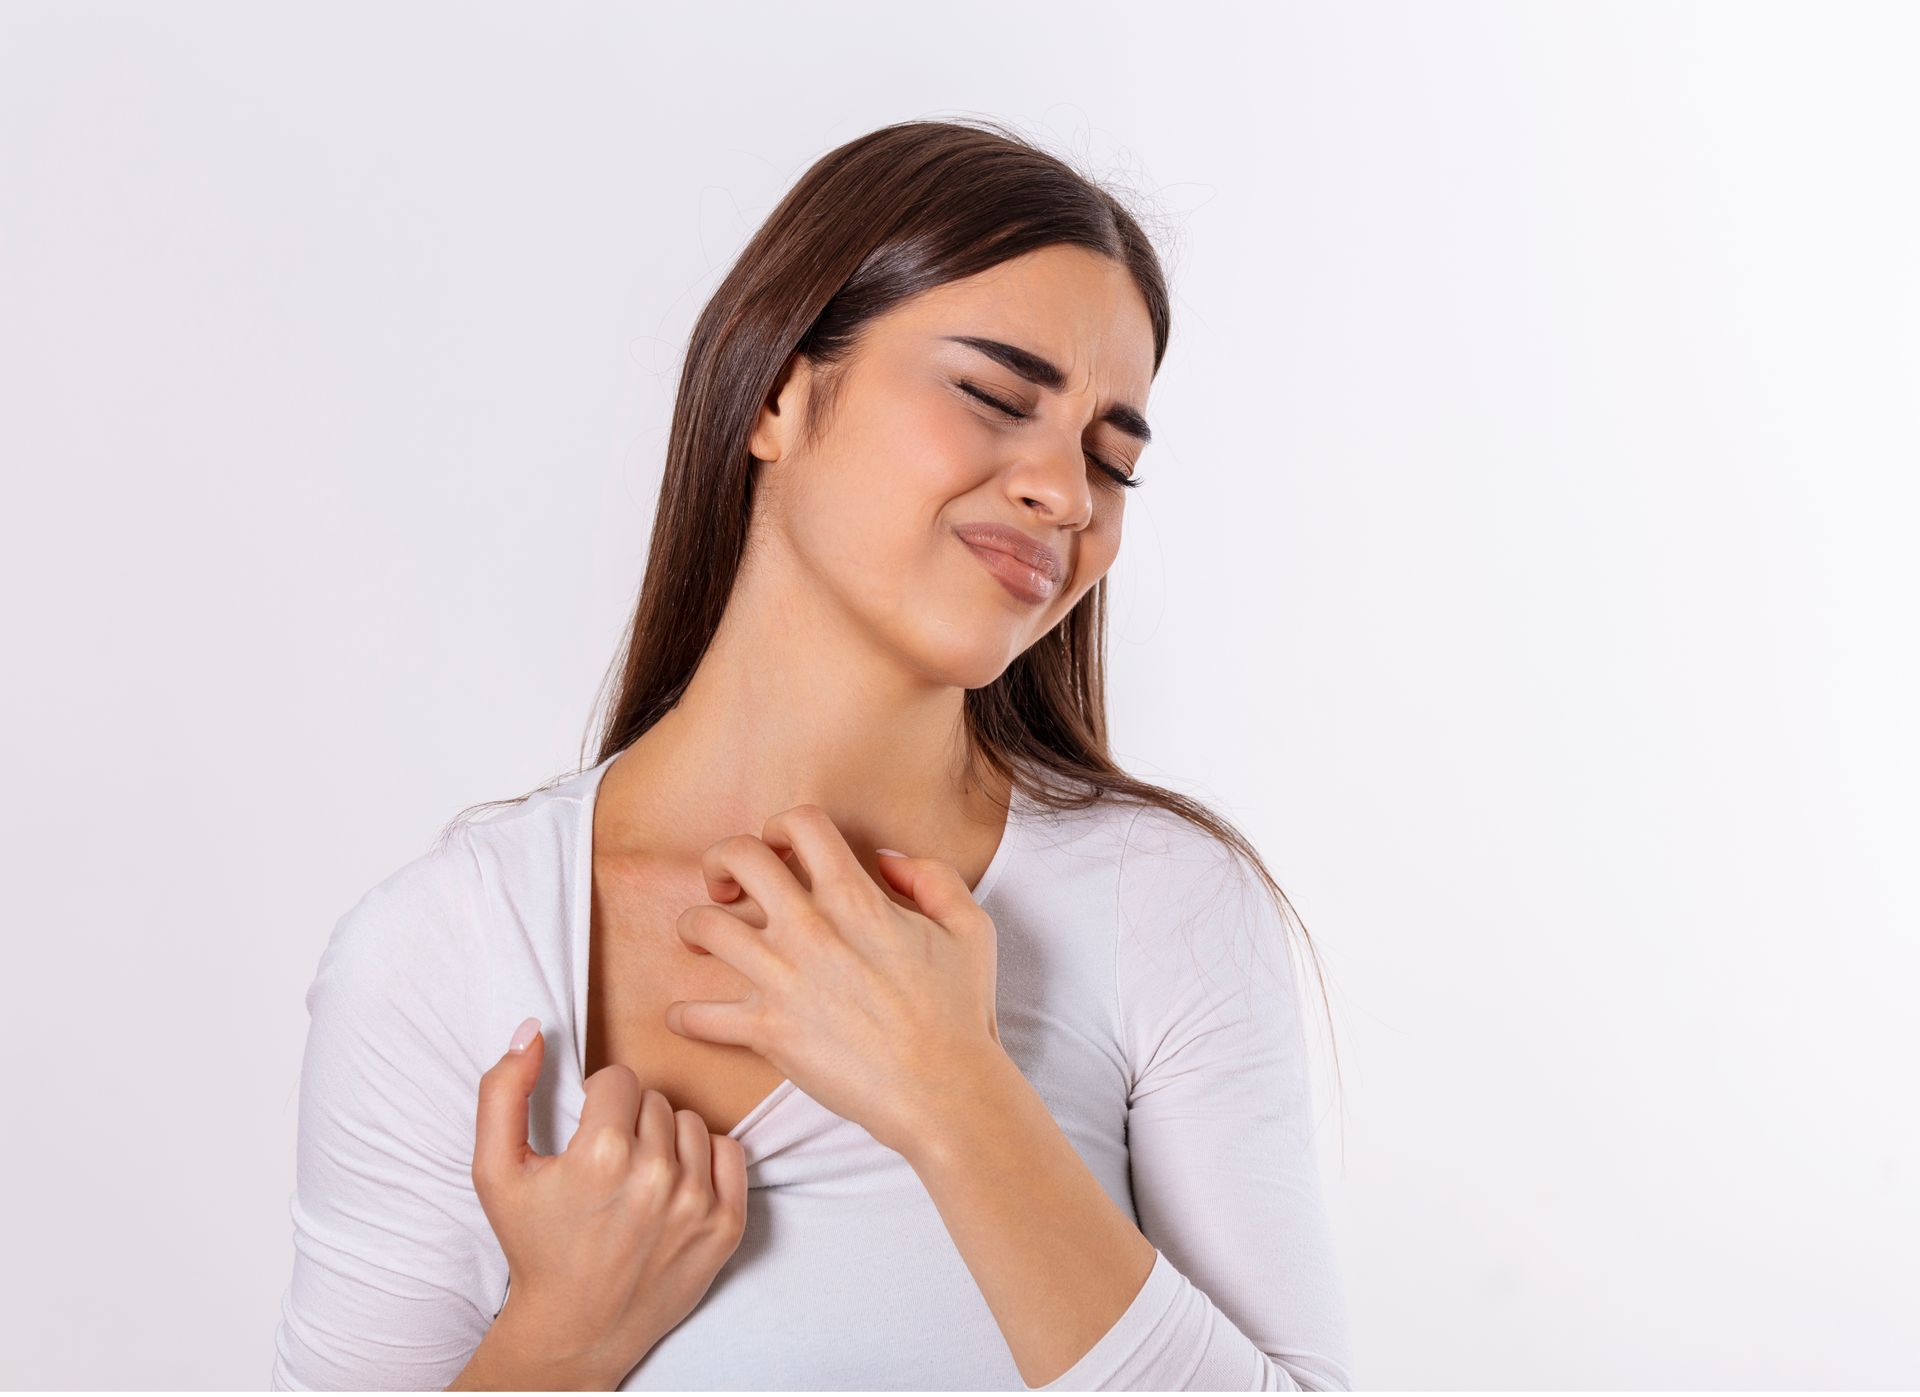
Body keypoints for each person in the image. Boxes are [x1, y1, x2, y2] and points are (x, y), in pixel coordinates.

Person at [271, 117, 1354, 1392]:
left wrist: (951, 1087)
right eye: (996, 396)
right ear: (778, 391)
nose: (1066, 492)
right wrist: (559, 1343)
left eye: (1109, 458)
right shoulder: (447, 949)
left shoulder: (1164, 905)